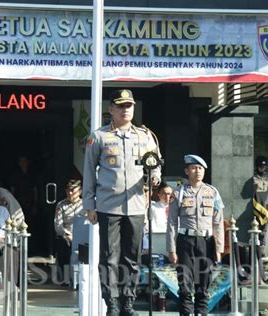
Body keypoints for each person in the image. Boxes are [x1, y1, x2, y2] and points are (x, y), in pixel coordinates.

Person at [83, 89, 161, 316]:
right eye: (121, 106)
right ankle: (112, 303)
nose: (125, 109)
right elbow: (89, 172)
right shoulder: (99, 137)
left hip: (136, 205)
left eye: (129, 106)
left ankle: (128, 302)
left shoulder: (145, 136)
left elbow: (155, 164)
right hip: (109, 205)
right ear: (111, 109)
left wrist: (154, 176)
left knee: (132, 257)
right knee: (109, 258)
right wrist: (89, 205)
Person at [166, 154, 225, 316]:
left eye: (200, 168)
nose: (197, 171)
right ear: (187, 171)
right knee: (184, 286)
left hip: (206, 242)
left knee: (203, 285)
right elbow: (171, 222)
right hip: (185, 241)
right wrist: (171, 249)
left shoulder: (213, 192)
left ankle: (202, 313)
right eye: (193, 168)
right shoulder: (179, 193)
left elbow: (218, 222)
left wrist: (219, 249)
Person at [54, 179, 84, 283]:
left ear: (80, 191)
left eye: (72, 190)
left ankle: (81, 278)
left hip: (82, 238)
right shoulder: (61, 205)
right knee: (64, 245)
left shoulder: (86, 205)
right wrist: (67, 234)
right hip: (67, 236)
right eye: (68, 191)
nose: (70, 193)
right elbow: (58, 225)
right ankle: (66, 278)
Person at [142, 182, 173, 253]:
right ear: (159, 194)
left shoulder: (176, 209)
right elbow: (147, 227)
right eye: (165, 194)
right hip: (157, 241)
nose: (167, 197)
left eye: (169, 194)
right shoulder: (152, 207)